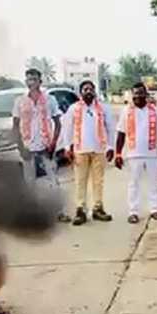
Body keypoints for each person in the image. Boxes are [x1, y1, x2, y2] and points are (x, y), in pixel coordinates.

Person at [59, 80, 115, 225]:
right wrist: (67, 147)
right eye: (85, 89)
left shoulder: (103, 108)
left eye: (91, 89)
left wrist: (111, 147)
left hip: (99, 149)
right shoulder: (73, 108)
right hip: (80, 150)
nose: (88, 91)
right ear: (80, 92)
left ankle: (98, 209)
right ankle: (80, 210)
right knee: (80, 181)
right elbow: (67, 129)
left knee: (98, 181)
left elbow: (110, 128)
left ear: (95, 91)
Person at [115, 83, 157, 224]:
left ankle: (155, 209)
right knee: (134, 184)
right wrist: (118, 154)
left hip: (152, 153)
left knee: (154, 182)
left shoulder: (155, 111)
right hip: (133, 154)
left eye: (141, 93)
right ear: (132, 95)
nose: (138, 96)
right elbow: (121, 134)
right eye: (135, 93)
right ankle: (133, 211)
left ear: (146, 94)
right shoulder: (126, 111)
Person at [13, 68, 62, 196]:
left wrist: (53, 144)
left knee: (53, 180)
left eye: (34, 79)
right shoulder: (20, 101)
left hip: (46, 146)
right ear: (26, 82)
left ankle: (59, 211)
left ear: (40, 81)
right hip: (27, 146)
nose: (32, 82)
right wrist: (20, 148)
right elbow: (15, 126)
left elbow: (58, 123)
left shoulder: (50, 100)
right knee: (29, 182)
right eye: (29, 79)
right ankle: (35, 211)